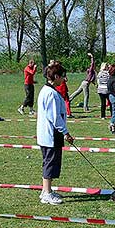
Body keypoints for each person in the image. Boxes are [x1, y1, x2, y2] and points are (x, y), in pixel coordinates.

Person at [37, 62, 74, 205]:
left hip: (48, 134)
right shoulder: (50, 93)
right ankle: (46, 193)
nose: (64, 79)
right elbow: (55, 117)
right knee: (50, 163)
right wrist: (66, 132)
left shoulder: (47, 90)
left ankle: (47, 190)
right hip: (51, 135)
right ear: (56, 76)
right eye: (63, 76)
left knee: (49, 162)